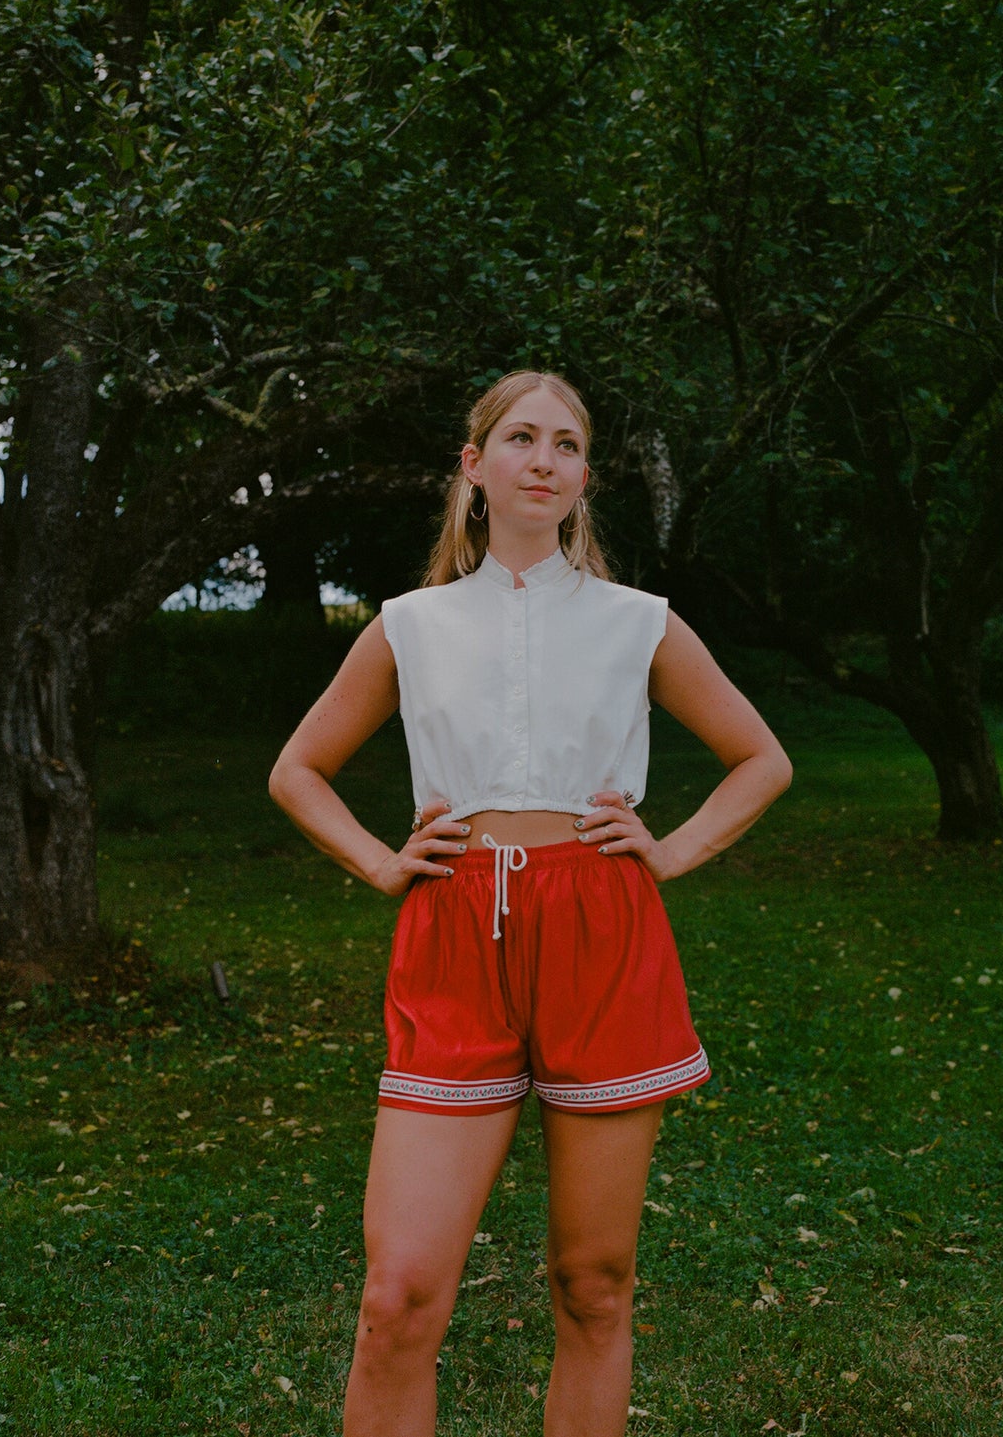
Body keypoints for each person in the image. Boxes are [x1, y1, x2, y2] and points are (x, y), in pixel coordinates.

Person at [269, 370, 792, 1436]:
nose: (541, 458)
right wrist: (381, 864)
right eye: (519, 438)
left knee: (591, 1283)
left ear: (583, 478)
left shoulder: (636, 621)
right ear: (473, 465)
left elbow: (759, 758)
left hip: (601, 933)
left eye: (563, 443)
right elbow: (297, 770)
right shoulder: (409, 626)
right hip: (454, 931)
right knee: (397, 1295)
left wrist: (669, 848)